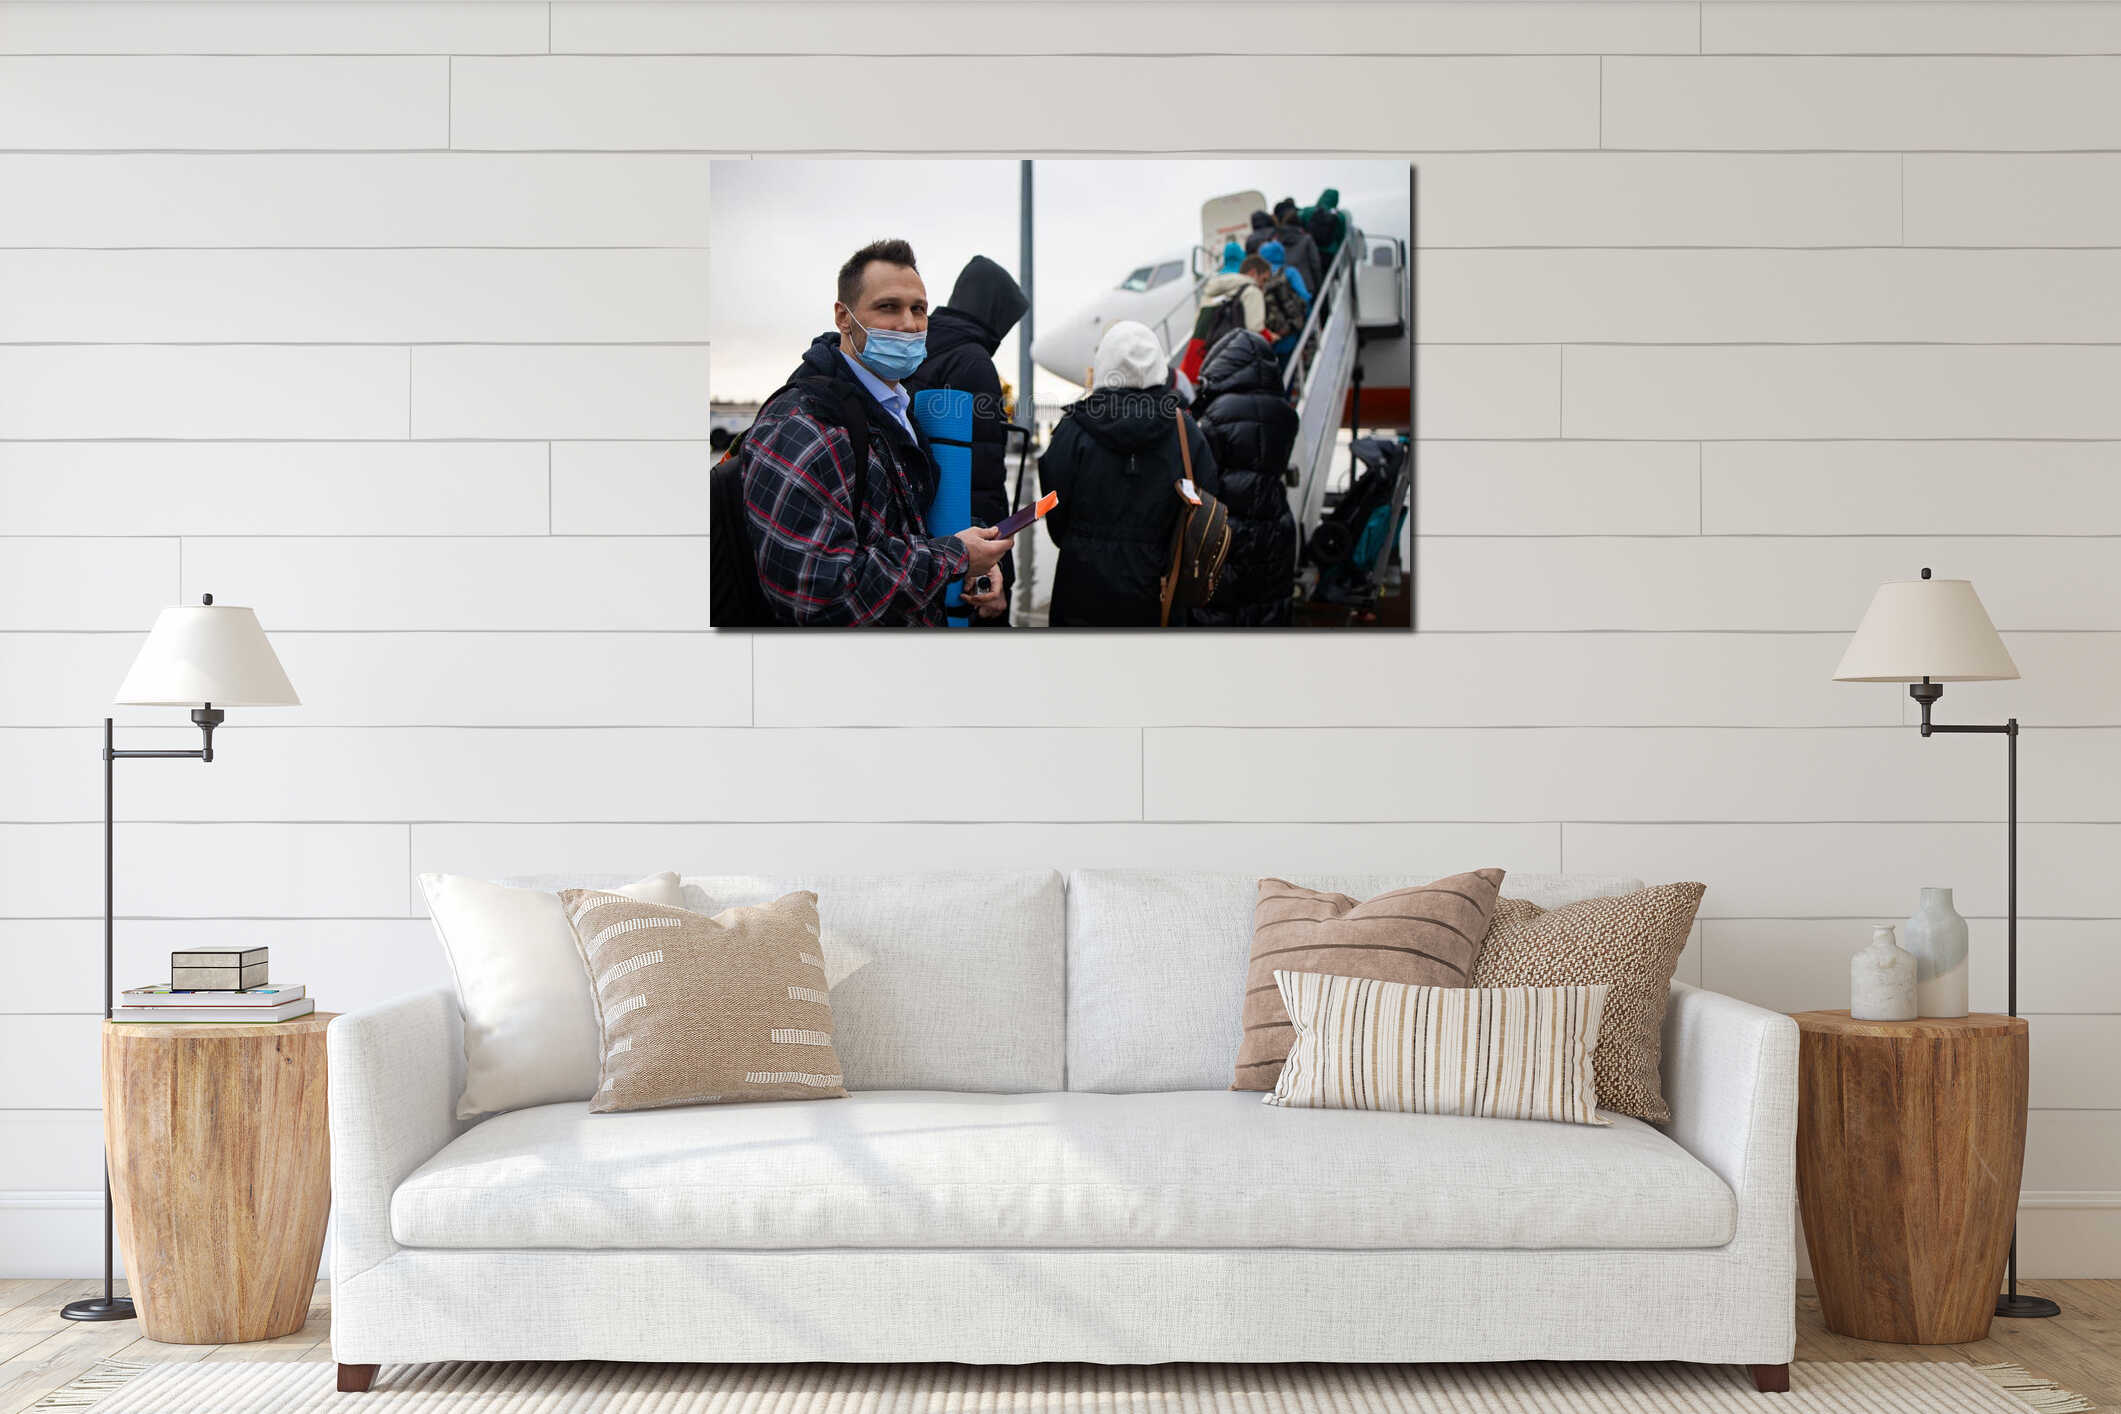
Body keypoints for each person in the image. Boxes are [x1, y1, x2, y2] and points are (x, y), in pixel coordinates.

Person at [737, 238, 1011, 626]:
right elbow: (819, 597)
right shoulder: (804, 424)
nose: (909, 324)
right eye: (888, 307)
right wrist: (955, 557)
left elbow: (902, 535)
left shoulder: (897, 407)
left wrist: (970, 563)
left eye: (919, 309)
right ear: (843, 317)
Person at [1039, 321, 1223, 627]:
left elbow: (1053, 506)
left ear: (1104, 364)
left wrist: (1081, 542)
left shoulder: (1073, 428)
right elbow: (1207, 499)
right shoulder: (1185, 430)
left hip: (1081, 586)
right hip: (1160, 589)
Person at [907, 254, 1029, 628]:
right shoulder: (973, 362)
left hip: (915, 547)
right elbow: (981, 482)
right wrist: (995, 568)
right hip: (961, 552)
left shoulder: (919, 348)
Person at [1190, 329, 1298, 627]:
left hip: (1229, 527)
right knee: (1266, 605)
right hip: (1275, 523)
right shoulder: (1286, 415)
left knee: (1222, 608)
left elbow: (1203, 476)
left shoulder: (1216, 413)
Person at [1270, 198, 1324, 296]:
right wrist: (1319, 285)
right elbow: (1315, 264)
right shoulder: (1306, 239)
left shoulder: (1276, 239)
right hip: (1307, 285)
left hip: (1285, 287)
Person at [1301, 187, 1349, 266]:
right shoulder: (1340, 216)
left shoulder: (1308, 211)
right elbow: (1341, 236)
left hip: (1309, 249)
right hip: (1329, 253)